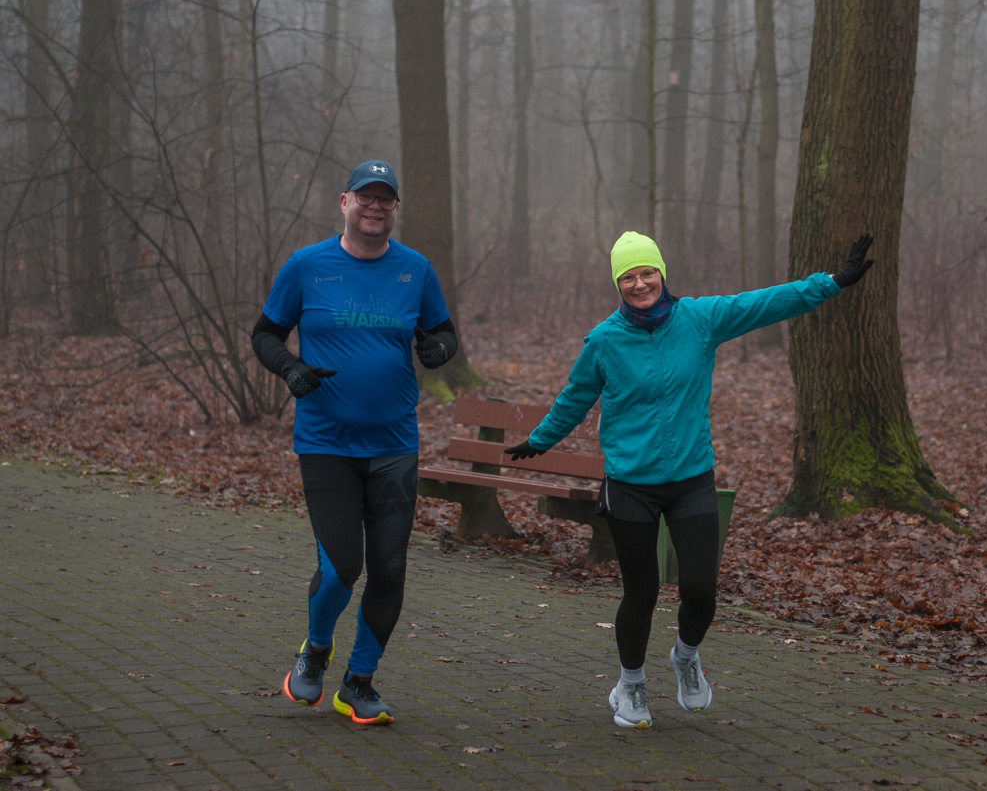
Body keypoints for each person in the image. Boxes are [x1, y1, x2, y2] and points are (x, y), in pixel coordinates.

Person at [504, 230, 874, 728]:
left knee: (700, 589)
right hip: (630, 483)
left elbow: (765, 304)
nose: (639, 284)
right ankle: (629, 686)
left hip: (691, 478)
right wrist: (541, 439)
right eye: (628, 277)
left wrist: (832, 282)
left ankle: (685, 657)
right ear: (618, 283)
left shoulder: (700, 319)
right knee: (642, 591)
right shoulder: (605, 340)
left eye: (646, 272)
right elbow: (576, 396)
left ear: (662, 273)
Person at [251, 160, 458, 725]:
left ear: (395, 209)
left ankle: (358, 683)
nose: (375, 207)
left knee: (389, 569)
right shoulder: (307, 266)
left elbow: (442, 331)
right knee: (344, 565)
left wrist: (438, 349)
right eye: (365, 198)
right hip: (326, 444)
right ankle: (316, 649)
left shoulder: (415, 270)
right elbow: (265, 334)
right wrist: (291, 369)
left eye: (385, 200)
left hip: (395, 444)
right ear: (344, 202)